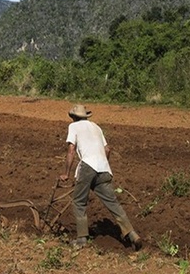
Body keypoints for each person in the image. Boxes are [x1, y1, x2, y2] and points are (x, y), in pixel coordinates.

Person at [60, 103, 142, 250]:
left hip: (87, 166)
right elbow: (107, 149)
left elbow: (71, 150)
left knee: (79, 202)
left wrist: (66, 173)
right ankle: (132, 234)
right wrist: (102, 165)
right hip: (103, 168)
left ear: (73, 117)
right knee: (113, 203)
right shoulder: (96, 127)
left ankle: (82, 239)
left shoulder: (73, 127)